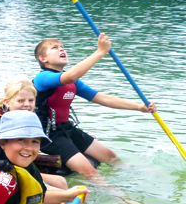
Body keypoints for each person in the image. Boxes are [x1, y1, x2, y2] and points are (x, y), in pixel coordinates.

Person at [33, 34, 157, 177]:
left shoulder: (72, 82)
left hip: (66, 128)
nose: (62, 50)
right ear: (43, 59)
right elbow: (70, 76)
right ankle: (120, 199)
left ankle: (136, 173)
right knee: (90, 171)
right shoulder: (42, 78)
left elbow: (103, 98)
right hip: (47, 135)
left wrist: (139, 107)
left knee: (111, 156)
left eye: (63, 47)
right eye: (55, 48)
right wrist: (100, 52)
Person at [0, 76, 68, 189]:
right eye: (20, 101)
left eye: (31, 100)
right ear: (7, 102)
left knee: (60, 182)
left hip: (7, 167)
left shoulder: (13, 119)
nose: (27, 105)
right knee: (60, 184)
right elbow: (10, 162)